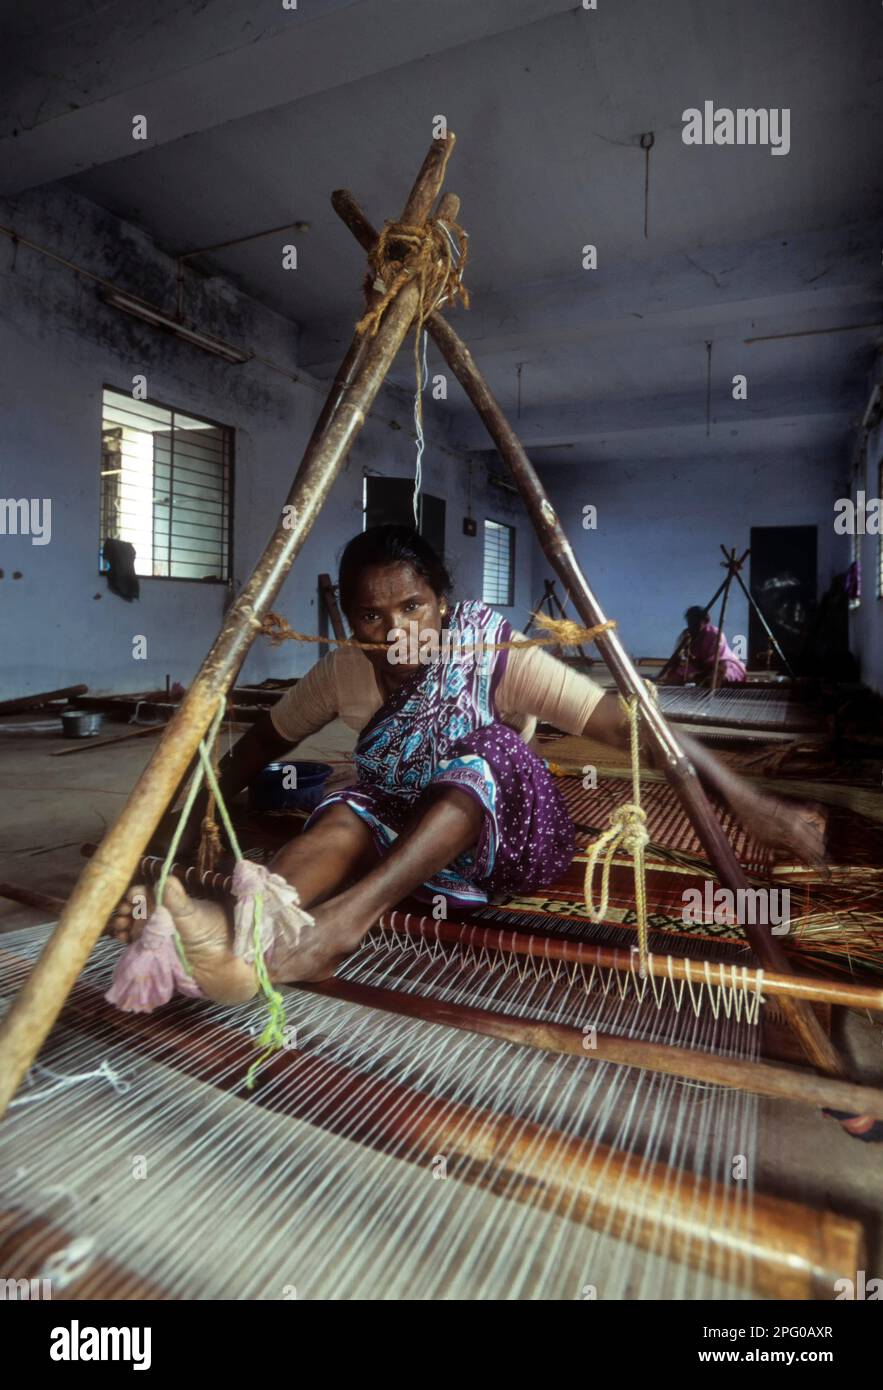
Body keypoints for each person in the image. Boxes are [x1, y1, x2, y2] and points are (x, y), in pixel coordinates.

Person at [110, 526, 822, 997]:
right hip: (404, 840)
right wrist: (185, 809)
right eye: (371, 617)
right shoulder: (343, 674)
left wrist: (745, 799)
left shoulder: (490, 652)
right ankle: (247, 942)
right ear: (347, 621)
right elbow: (265, 740)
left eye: (412, 607)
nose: (395, 633)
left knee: (492, 748)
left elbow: (629, 724)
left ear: (443, 606)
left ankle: (342, 925)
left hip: (504, 842)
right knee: (346, 809)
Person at [662, 606, 747, 686]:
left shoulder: (714, 634)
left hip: (720, 665)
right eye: (690, 622)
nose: (692, 626)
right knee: (674, 677)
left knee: (720, 676)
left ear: (705, 621)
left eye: (696, 622)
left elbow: (713, 660)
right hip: (697, 668)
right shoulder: (686, 635)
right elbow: (677, 658)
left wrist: (694, 663)